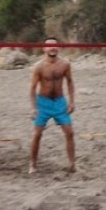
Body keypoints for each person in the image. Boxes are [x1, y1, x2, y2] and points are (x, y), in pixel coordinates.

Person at [30, 38, 76, 174]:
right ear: (44, 49)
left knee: (69, 132)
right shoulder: (39, 67)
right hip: (43, 102)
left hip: (59, 102)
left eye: (55, 46)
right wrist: (33, 107)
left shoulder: (65, 64)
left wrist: (72, 102)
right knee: (37, 134)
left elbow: (70, 82)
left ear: (59, 48)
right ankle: (32, 164)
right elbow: (32, 88)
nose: (52, 48)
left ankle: (72, 164)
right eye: (49, 46)